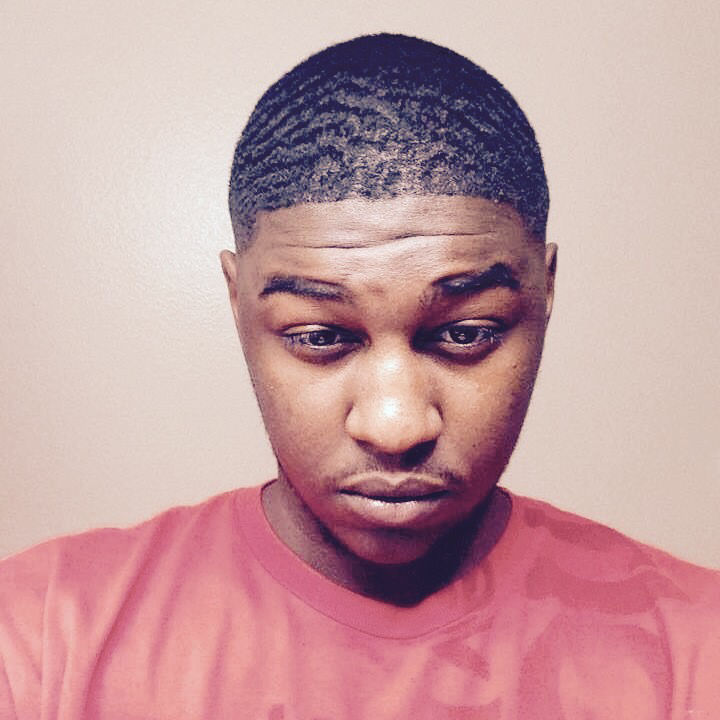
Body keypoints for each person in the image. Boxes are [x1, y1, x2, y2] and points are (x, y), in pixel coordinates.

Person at [1, 32, 718, 720]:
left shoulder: (697, 649)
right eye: (319, 337)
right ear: (237, 299)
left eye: (467, 333)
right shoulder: (38, 640)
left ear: (544, 290)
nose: (395, 427)